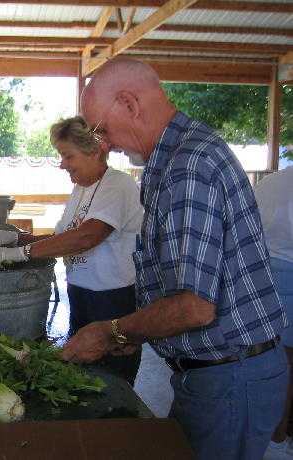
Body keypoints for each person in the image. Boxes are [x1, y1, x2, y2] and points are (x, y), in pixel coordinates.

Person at [60, 57, 288, 460]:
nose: (104, 144)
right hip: (217, 375)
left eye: (102, 129)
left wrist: (111, 332)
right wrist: (138, 332)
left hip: (229, 377)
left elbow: (195, 307)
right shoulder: (179, 158)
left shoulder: (188, 168)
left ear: (130, 104)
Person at [0, 115, 143, 385]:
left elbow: (86, 237)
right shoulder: (80, 189)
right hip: (81, 296)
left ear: (93, 150)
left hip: (112, 302)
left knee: (113, 382)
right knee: (84, 378)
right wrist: (15, 239)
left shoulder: (118, 185)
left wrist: (21, 254)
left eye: (68, 157)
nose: (61, 165)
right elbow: (61, 238)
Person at [255, 166, 293, 460]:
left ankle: (264, 438)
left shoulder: (271, 182)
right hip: (286, 281)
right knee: (286, 368)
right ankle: (275, 441)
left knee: (263, 364)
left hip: (258, 280)